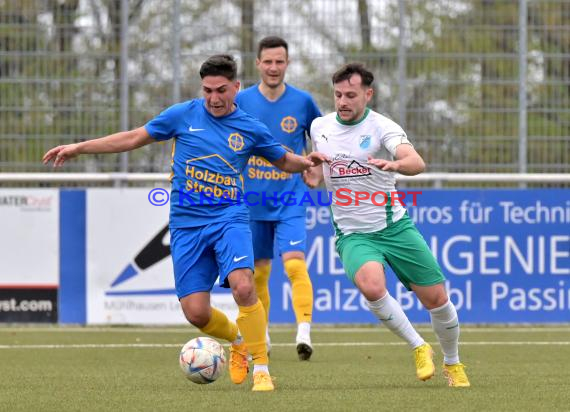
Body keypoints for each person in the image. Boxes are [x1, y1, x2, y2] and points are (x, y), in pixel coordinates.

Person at [43, 54, 326, 392]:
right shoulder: (182, 115)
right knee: (196, 312)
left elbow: (284, 160)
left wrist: (306, 163)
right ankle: (238, 340)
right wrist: (80, 148)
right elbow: (133, 137)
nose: (214, 98)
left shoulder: (249, 127)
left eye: (222, 90)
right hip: (187, 226)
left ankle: (261, 367)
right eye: (208, 90)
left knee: (244, 286)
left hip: (230, 217)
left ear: (236, 88)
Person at [303, 63, 470, 387]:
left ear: (368, 94)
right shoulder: (320, 127)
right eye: (338, 95)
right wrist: (310, 174)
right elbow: (315, 177)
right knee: (372, 286)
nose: (343, 102)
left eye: (350, 95)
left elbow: (416, 161)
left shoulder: (382, 127)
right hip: (352, 233)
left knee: (437, 299)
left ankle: (453, 363)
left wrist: (395, 163)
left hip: (394, 227)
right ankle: (419, 346)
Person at [235, 36, 321, 360]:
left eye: (279, 61)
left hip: (290, 200)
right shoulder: (241, 101)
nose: (273, 67)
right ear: (258, 64)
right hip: (251, 202)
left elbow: (322, 138)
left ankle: (304, 331)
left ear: (288, 64)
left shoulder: (303, 102)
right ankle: (264, 334)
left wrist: (318, 171)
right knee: (258, 273)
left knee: (295, 265)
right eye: (268, 61)